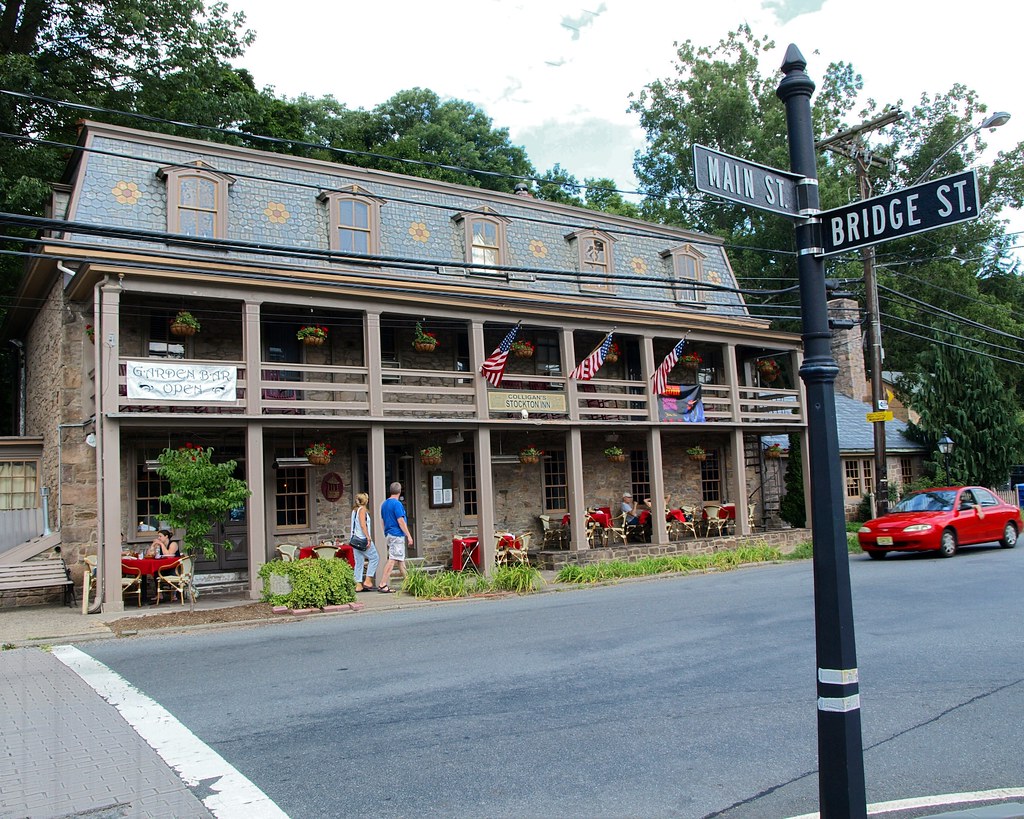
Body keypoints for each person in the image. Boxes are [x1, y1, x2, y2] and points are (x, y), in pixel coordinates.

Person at [378, 481, 413, 594]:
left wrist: (385, 533)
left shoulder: (384, 504)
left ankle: (410, 583)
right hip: (397, 535)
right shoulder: (397, 504)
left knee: (400, 561)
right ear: (400, 491)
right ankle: (383, 584)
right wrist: (409, 535)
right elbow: (401, 521)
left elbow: (382, 521)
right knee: (393, 559)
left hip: (389, 533)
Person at [350, 492, 378, 592]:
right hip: (362, 539)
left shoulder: (354, 511)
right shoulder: (362, 510)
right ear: (365, 500)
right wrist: (368, 537)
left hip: (355, 540)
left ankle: (358, 584)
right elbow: (363, 525)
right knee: (375, 557)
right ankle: (368, 580)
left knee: (359, 562)